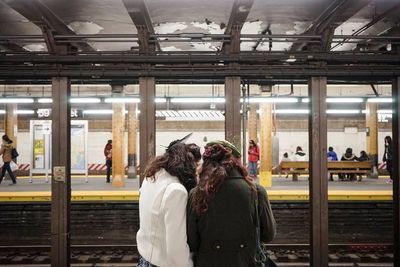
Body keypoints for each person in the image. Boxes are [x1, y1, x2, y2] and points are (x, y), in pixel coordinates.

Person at [187, 140, 276, 267]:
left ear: (206, 164)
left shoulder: (196, 193)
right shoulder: (256, 191)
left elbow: (192, 242)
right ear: (236, 162)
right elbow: (268, 234)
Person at [137, 136, 200, 267]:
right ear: (188, 165)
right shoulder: (176, 191)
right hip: (162, 263)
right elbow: (176, 247)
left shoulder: (151, 177)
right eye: (196, 166)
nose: (196, 172)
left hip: (144, 258)